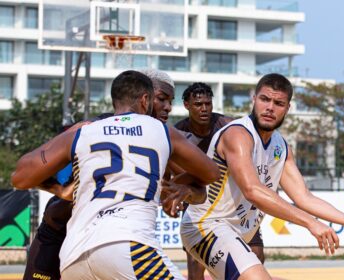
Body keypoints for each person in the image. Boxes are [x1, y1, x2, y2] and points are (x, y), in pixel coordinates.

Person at [12, 70, 220, 280]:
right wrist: (62, 190)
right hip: (80, 235)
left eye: (170, 101)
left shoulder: (87, 130)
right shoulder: (161, 133)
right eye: (161, 99)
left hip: (74, 253)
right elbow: (211, 173)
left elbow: (21, 176)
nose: (167, 107)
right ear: (145, 99)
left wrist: (182, 190)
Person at [180, 73, 344, 280]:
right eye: (264, 99)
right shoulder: (238, 135)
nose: (270, 108)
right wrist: (312, 223)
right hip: (207, 226)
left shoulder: (281, 146)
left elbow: (304, 198)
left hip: (234, 234)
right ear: (254, 99)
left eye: (278, 103)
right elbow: (253, 191)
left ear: (287, 108)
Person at [174, 82, 264, 280]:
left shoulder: (228, 125)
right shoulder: (178, 133)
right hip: (199, 196)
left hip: (233, 197)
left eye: (208, 103)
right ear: (187, 105)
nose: (204, 108)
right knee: (196, 260)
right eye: (198, 104)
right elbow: (178, 172)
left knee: (256, 253)